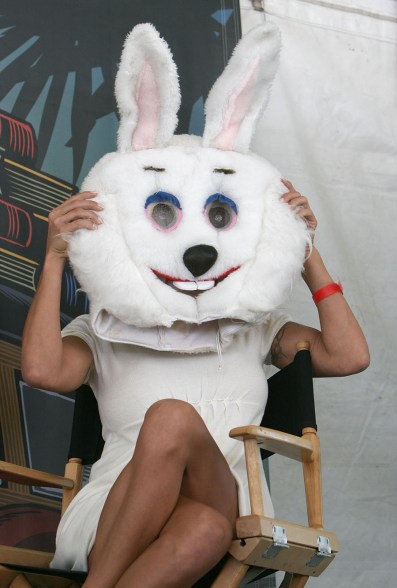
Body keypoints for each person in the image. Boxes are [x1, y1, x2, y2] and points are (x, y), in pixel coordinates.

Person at [21, 180, 369, 588]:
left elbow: (350, 356)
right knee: (203, 528)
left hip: (225, 493)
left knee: (173, 417)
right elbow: (42, 371)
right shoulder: (102, 330)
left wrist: (307, 253)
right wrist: (54, 258)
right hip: (119, 512)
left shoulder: (251, 326)